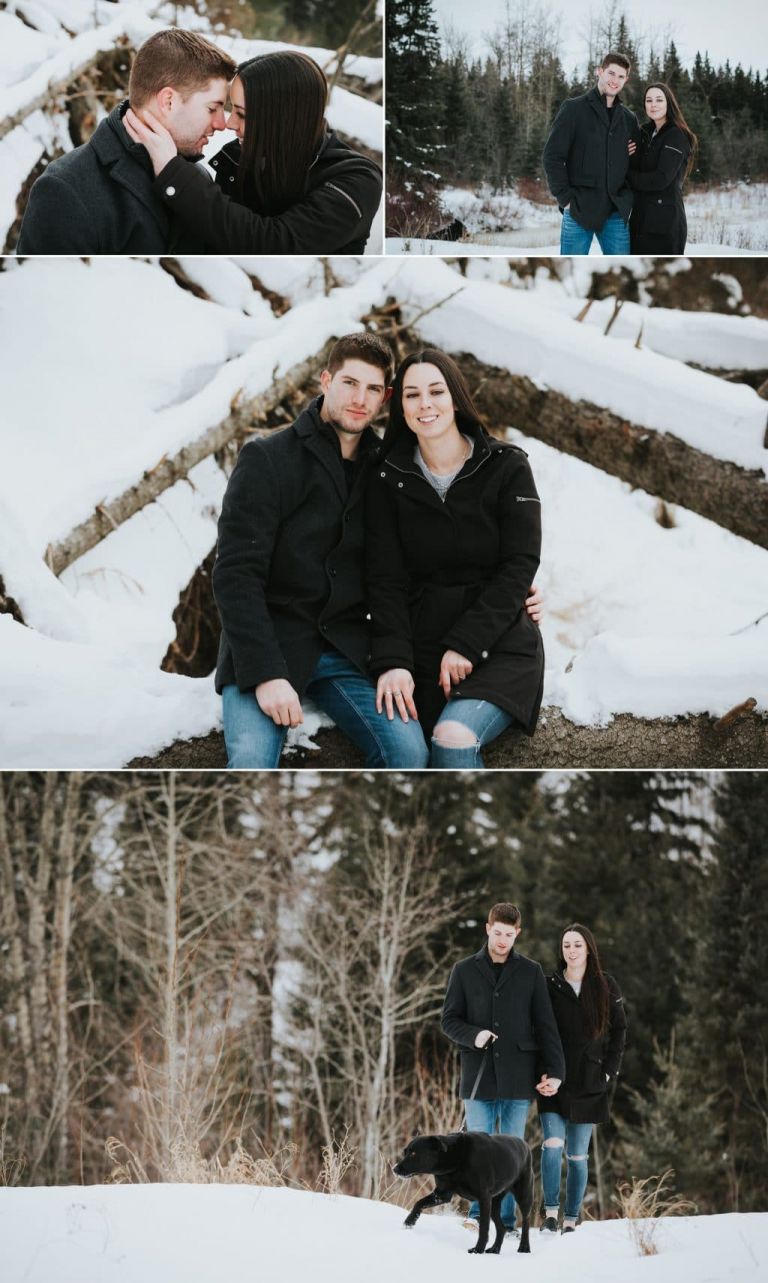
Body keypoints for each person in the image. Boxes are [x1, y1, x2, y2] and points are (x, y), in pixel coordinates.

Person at [214, 334, 544, 770]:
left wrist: (516, 591)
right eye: (349, 383)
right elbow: (235, 574)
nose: (359, 399)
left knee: (408, 752)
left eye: (373, 389)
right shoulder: (268, 458)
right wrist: (266, 673)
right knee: (252, 762)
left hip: (346, 649)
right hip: (271, 643)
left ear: (385, 399)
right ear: (325, 380)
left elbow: (415, 565)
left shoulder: (387, 468)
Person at [365, 349, 544, 769]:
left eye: (435, 391)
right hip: (423, 648)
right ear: (400, 406)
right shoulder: (386, 477)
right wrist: (392, 661)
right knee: (412, 750)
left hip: (499, 643)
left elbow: (520, 564)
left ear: (456, 397)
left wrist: (466, 643)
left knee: (452, 737)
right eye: (412, 395)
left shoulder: (506, 466)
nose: (425, 404)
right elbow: (384, 578)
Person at [124, 50, 382, 254]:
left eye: (243, 115)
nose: (229, 123)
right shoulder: (239, 159)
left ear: (283, 119)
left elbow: (273, 245)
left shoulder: (355, 181)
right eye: (231, 109)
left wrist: (174, 174)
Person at [16, 30, 235, 254]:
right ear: (168, 101)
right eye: (212, 108)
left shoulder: (197, 179)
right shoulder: (65, 190)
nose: (222, 123)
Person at [442, 903, 565, 1237]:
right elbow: (449, 1020)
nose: (502, 941)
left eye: (509, 935)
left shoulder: (530, 971)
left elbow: (545, 1025)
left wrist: (555, 1071)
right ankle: (479, 1215)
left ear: (517, 934)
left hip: (517, 1077)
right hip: (478, 1075)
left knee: (511, 1153)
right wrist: (475, 1035)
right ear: (488, 928)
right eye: (497, 933)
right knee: (478, 1151)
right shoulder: (464, 970)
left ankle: (507, 1222)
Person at [536, 924, 627, 1234]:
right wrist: (541, 1072)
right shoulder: (550, 985)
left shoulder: (606, 985)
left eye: (577, 944)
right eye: (566, 945)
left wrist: (609, 1069)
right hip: (554, 1079)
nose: (571, 950)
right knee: (552, 1144)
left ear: (588, 948)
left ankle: (571, 1219)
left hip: (590, 1081)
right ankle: (550, 1213)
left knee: (576, 1156)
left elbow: (620, 1031)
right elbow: (540, 1031)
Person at [543, 52, 640, 255]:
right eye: (611, 73)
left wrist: (627, 198)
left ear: (626, 80)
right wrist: (565, 198)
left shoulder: (628, 119)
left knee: (620, 268)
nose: (615, 81)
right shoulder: (573, 109)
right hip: (579, 209)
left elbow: (633, 164)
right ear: (600, 71)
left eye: (621, 77)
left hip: (616, 211)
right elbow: (552, 157)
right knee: (572, 269)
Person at [628, 82, 696, 253]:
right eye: (649, 100)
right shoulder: (644, 133)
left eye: (659, 100)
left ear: (669, 104)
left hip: (665, 222)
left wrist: (627, 176)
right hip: (639, 218)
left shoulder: (676, 135)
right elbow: (634, 162)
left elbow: (661, 179)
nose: (653, 105)